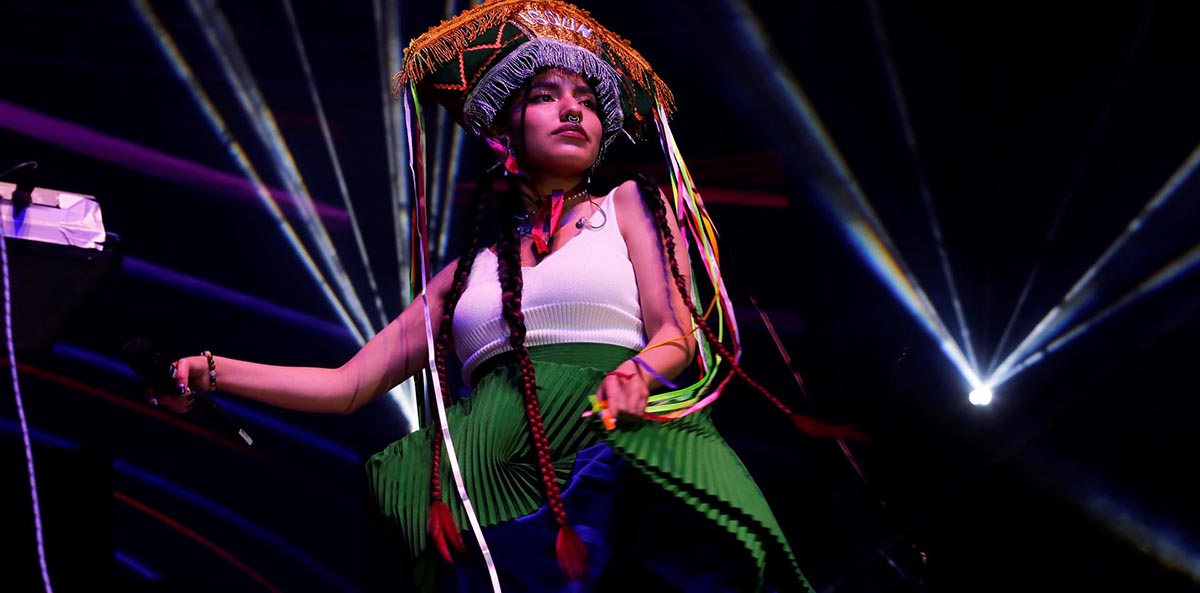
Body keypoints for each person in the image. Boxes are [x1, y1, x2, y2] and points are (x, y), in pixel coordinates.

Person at [153, 1, 855, 591]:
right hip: (489, 466)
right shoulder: (467, 276)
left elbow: (677, 330)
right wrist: (211, 370)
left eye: (585, 101)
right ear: (500, 138)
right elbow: (347, 384)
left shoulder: (629, 206)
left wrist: (636, 371)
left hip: (603, 438)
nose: (572, 110)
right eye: (547, 96)